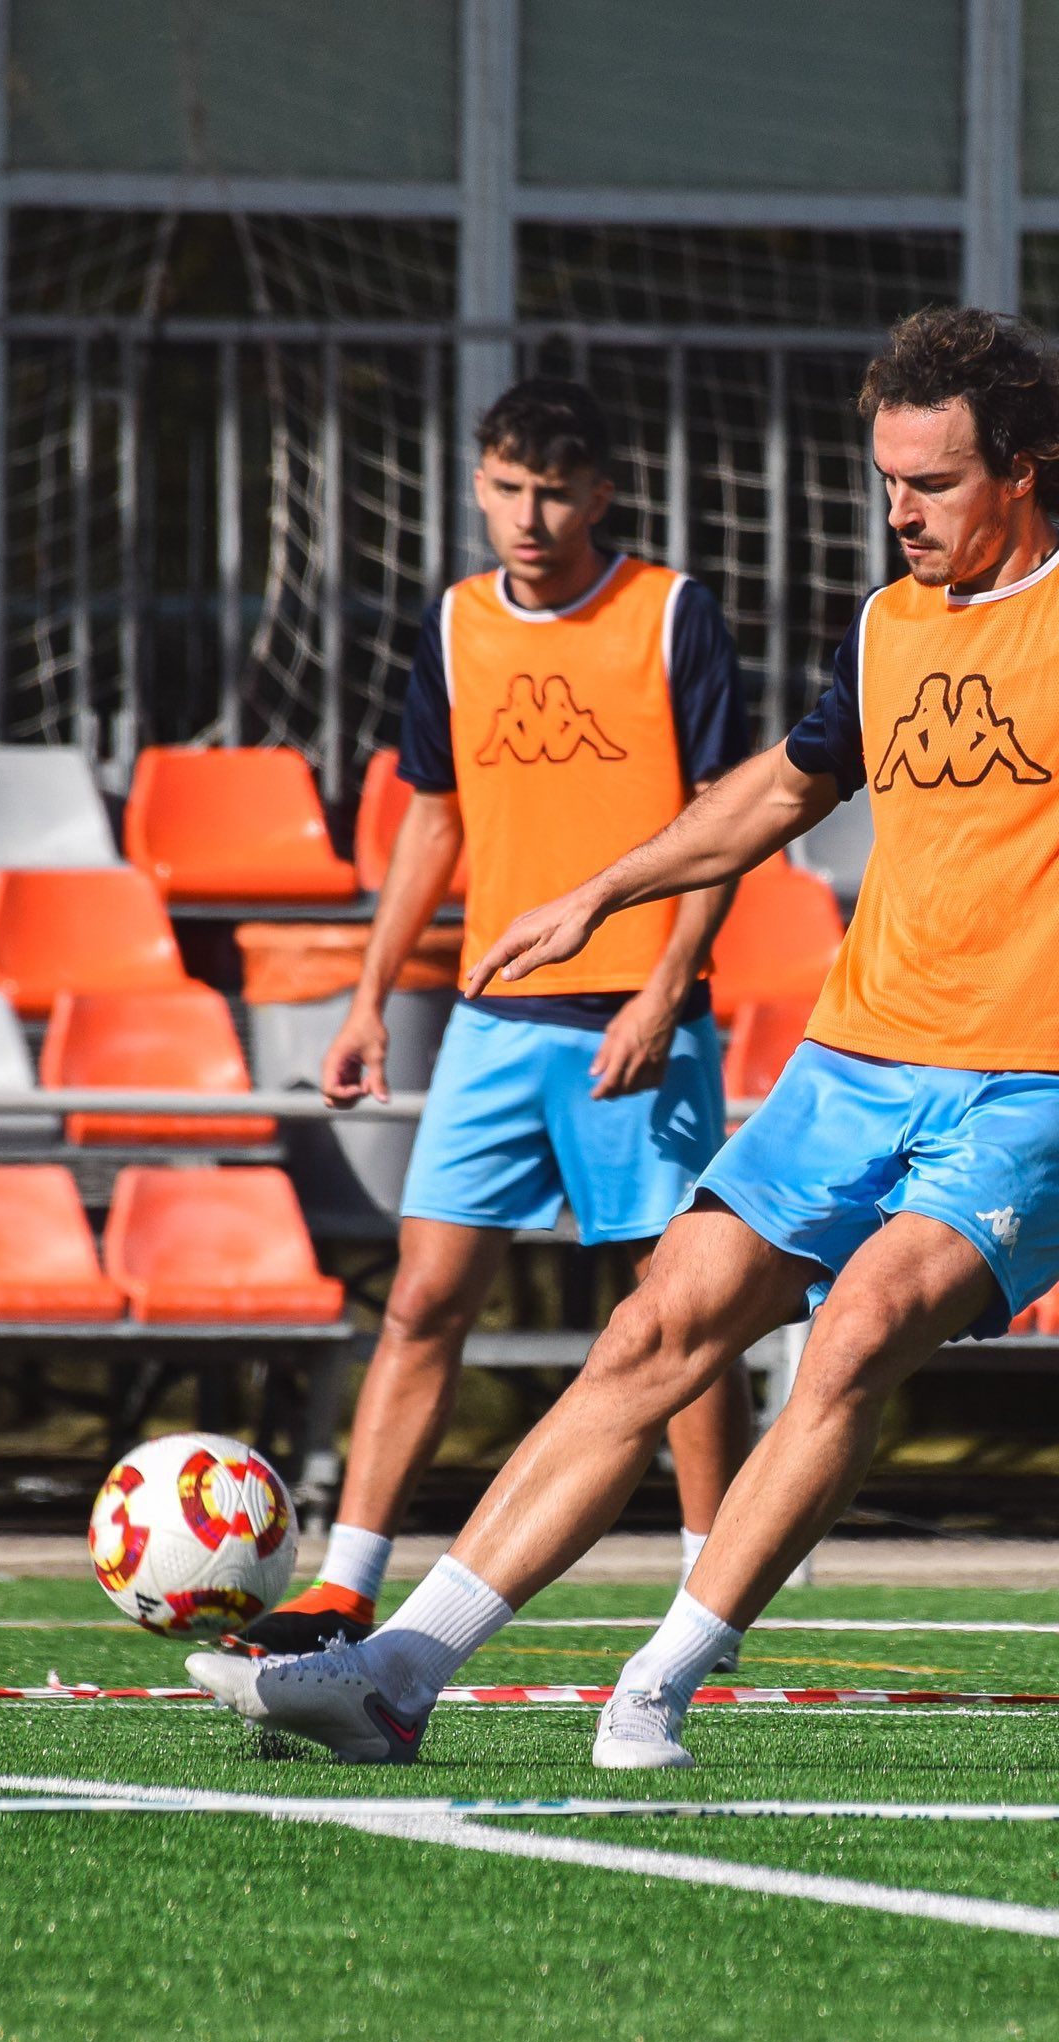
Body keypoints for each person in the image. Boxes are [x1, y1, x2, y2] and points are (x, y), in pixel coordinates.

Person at [191, 307, 1059, 1759]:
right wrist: (601, 892)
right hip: (855, 1061)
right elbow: (780, 786)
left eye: (936, 482)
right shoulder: (890, 626)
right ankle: (398, 1674)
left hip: (1050, 1082)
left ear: (1025, 470)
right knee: (655, 1326)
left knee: (859, 1331)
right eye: (888, 478)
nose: (902, 510)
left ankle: (655, 1687)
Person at [236, 377, 753, 1656]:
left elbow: (723, 821)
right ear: (478, 484)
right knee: (421, 1299)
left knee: (678, 1316)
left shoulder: (671, 612)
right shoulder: (457, 625)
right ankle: (345, 1581)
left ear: (602, 494)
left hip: (640, 1017)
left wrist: (664, 988)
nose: (531, 514)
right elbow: (432, 818)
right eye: (511, 487)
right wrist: (368, 996)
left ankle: (711, 1590)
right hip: (494, 1016)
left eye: (558, 490)